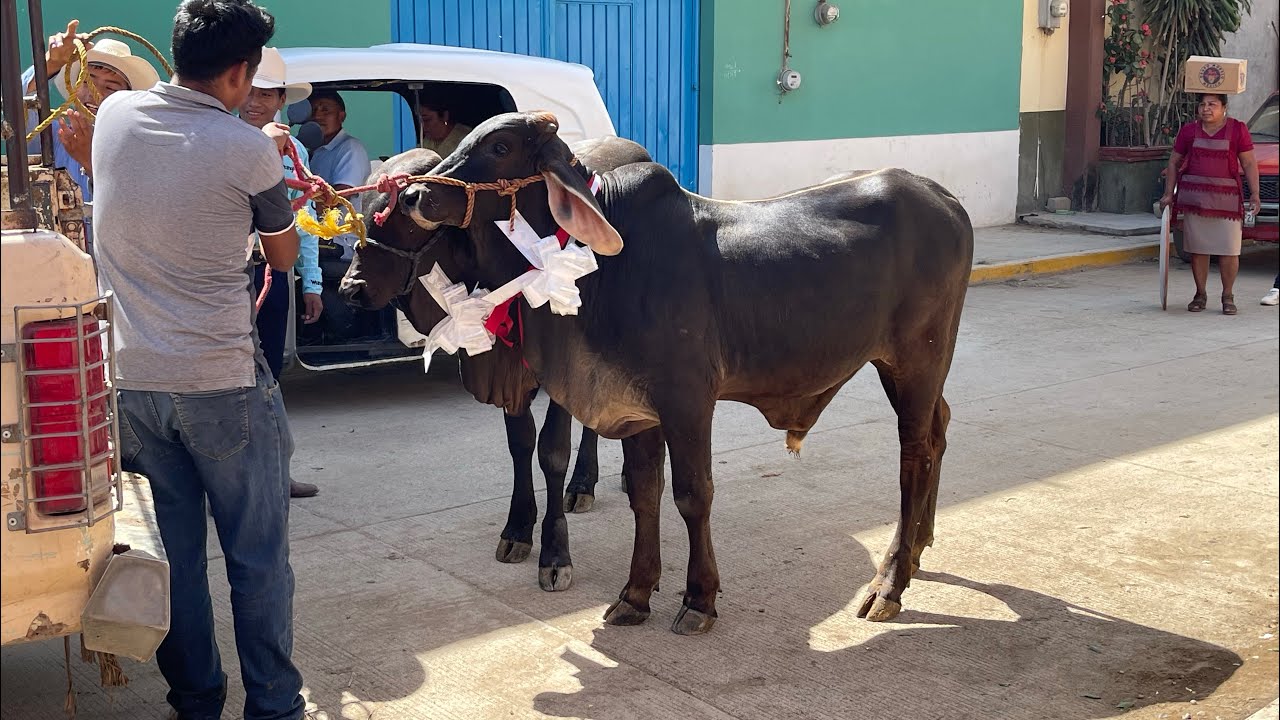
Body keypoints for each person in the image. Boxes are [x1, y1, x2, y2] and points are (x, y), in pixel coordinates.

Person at [91, 1, 305, 718]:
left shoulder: (113, 117)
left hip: (133, 381)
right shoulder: (246, 146)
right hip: (222, 383)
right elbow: (283, 253)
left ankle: (196, 701)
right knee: (257, 559)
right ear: (241, 74)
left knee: (177, 561)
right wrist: (263, 171)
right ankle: (273, 705)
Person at [239, 46, 322, 498]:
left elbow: (302, 219)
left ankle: (273, 472)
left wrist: (311, 281)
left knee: (270, 370)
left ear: (280, 102)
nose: (256, 102)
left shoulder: (295, 148)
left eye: (267, 94)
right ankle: (235, 482)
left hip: (273, 270)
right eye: (249, 91)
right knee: (231, 376)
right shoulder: (223, 140)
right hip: (228, 277)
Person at [22, 20, 162, 240]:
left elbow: (140, 218)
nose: (94, 93)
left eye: (110, 87)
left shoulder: (143, 145)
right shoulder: (54, 134)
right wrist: (51, 62)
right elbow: (18, 111)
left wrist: (90, 163)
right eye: (87, 81)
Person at [1160, 93, 1262, 315]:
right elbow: (1174, 161)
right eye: (1202, 104)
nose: (1206, 108)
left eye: (1212, 104)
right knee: (1199, 250)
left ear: (1224, 107)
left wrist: (1255, 194)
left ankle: (1228, 296)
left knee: (1229, 251)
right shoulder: (1188, 131)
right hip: (1195, 201)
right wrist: (1169, 194)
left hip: (1228, 202)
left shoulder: (1237, 129)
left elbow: (1249, 162)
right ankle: (1200, 294)